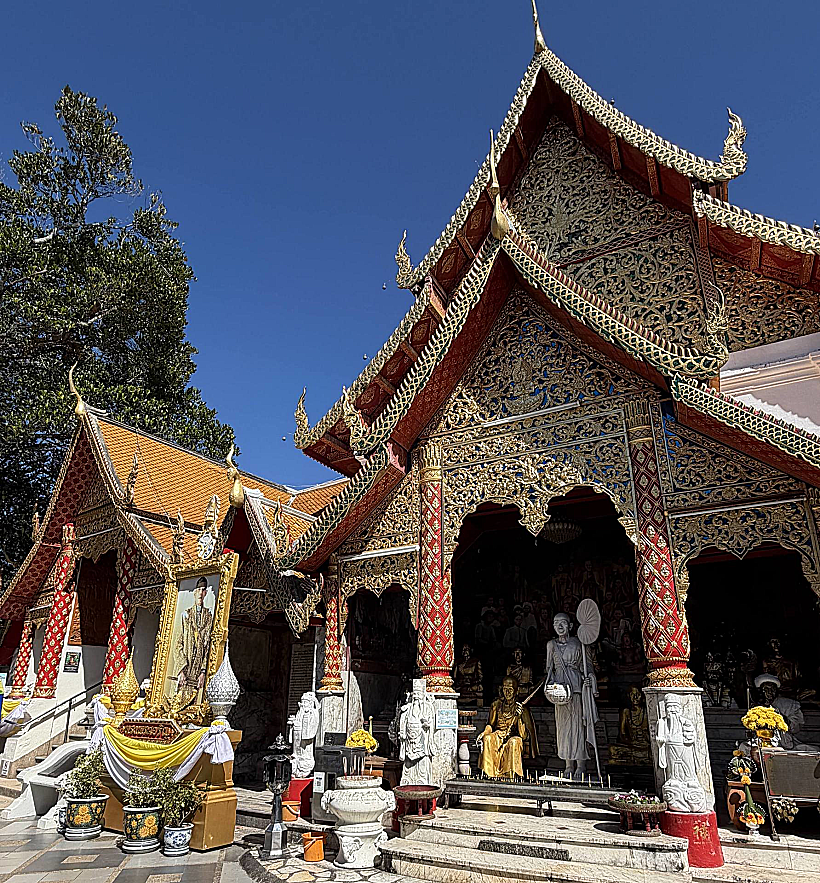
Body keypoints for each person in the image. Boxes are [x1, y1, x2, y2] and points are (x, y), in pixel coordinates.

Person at [543, 612, 598, 780]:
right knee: (564, 729)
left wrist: (590, 679)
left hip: (576, 689)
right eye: (556, 623)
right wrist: (551, 685)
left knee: (578, 728)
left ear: (571, 626)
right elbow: (549, 669)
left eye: (563, 623)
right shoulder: (551, 645)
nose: (559, 626)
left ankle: (581, 765)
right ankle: (568, 765)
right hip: (559, 691)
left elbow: (588, 667)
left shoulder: (580, 643)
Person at [476, 675, 538, 779]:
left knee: (513, 742)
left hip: (514, 736)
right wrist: (484, 733)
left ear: (516, 691)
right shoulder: (496, 705)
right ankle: (488, 772)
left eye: (510, 689)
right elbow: (490, 725)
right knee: (487, 739)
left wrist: (519, 718)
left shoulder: (521, 708)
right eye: (505, 689)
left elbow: (524, 735)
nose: (507, 692)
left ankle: (509, 774)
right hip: (498, 735)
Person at [656, 693, 710, 812]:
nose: (672, 710)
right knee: (673, 766)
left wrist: (689, 737)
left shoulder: (685, 722)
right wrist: (661, 742)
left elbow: (692, 737)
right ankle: (674, 779)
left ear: (680, 708)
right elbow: (660, 738)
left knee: (687, 765)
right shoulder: (662, 722)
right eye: (669, 707)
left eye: (675, 707)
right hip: (670, 747)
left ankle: (690, 780)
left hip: (684, 747)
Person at [174, 577, 214, 700]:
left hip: (198, 673)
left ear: (206, 593)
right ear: (194, 592)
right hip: (185, 670)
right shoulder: (186, 615)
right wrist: (181, 671)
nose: (200, 593)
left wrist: (203, 672)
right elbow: (178, 644)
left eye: (203, 590)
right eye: (198, 590)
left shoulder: (208, 617)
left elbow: (208, 647)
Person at [755, 673, 818, 751]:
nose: (770, 692)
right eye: (766, 689)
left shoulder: (789, 704)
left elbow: (796, 727)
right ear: (761, 691)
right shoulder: (756, 707)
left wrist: (784, 720)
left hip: (785, 742)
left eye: (772, 689)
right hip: (761, 741)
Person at [399, 679, 436, 786]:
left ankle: (422, 781)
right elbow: (403, 722)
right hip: (409, 742)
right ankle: (407, 781)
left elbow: (430, 724)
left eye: (419, 694)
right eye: (415, 694)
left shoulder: (427, 708)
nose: (416, 696)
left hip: (422, 742)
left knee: (422, 766)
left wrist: (426, 724)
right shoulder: (408, 708)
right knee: (408, 766)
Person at [289, 691, 320, 778]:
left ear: (310, 703)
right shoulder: (300, 711)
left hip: (305, 737)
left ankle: (304, 767)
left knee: (305, 750)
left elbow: (314, 722)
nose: (303, 704)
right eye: (302, 701)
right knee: (296, 751)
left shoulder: (312, 712)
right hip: (297, 734)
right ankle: (295, 764)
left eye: (305, 702)